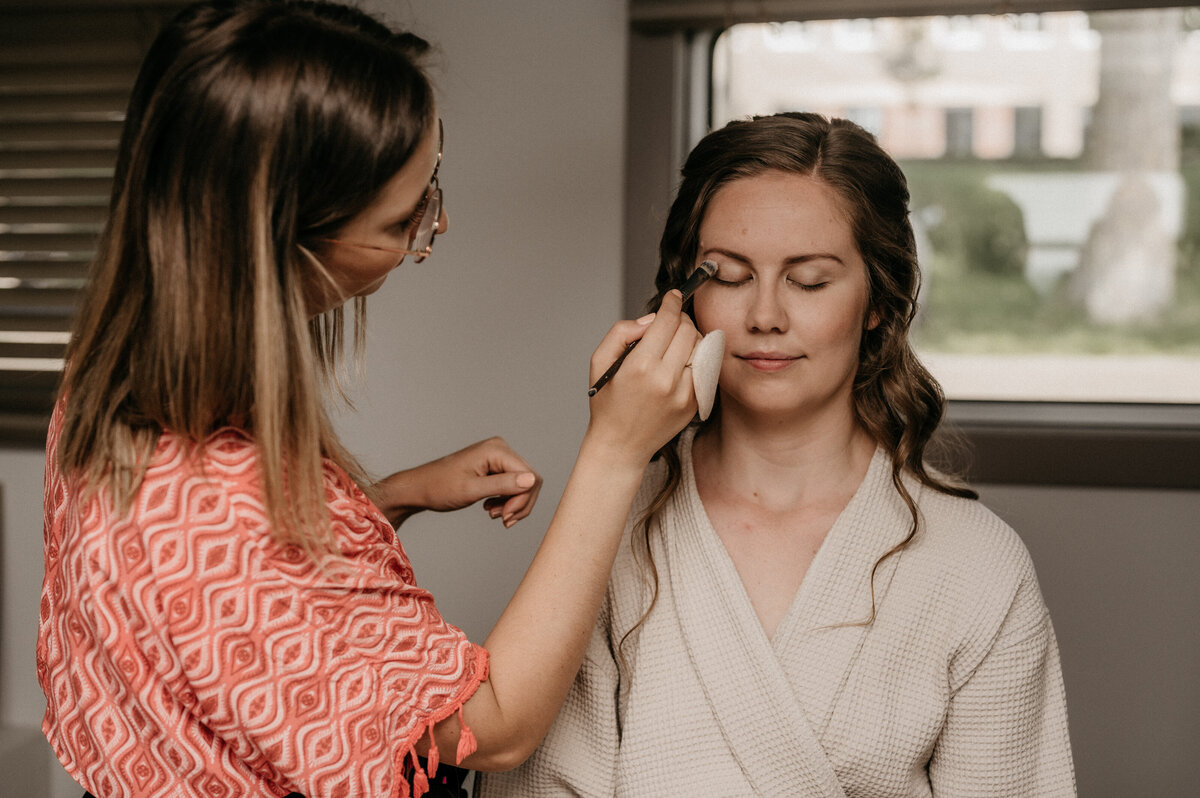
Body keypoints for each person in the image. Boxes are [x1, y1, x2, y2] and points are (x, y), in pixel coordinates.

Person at [36, 2, 700, 797]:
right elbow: (492, 728)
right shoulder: (225, 512)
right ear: (281, 238)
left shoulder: (105, 387)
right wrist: (616, 450)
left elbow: (240, 623)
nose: (437, 224)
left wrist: (389, 498)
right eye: (402, 219)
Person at [477, 112, 1077, 797]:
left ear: (877, 301)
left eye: (811, 281)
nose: (765, 315)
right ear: (687, 300)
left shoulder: (975, 565)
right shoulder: (607, 534)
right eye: (729, 277)